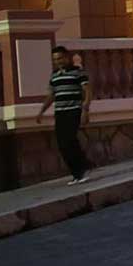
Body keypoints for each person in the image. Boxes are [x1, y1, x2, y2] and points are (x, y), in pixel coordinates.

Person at [34, 45, 95, 184]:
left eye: (60, 58)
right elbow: (51, 96)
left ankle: (81, 169)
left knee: (70, 140)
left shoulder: (78, 73)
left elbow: (87, 91)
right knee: (62, 144)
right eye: (55, 59)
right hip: (60, 112)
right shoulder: (54, 76)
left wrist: (85, 110)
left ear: (67, 57)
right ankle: (77, 172)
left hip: (74, 110)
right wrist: (41, 112)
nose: (58, 61)